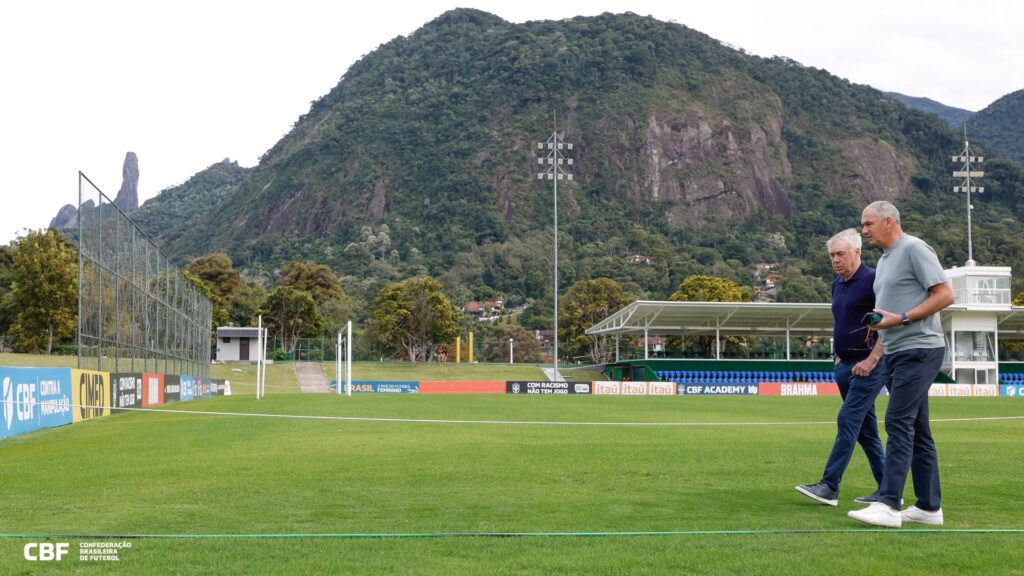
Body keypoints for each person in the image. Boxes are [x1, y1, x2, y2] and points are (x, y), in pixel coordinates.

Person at [848, 201, 955, 528]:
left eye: (868, 224)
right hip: (896, 352)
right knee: (919, 430)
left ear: (888, 221)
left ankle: (889, 504)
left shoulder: (914, 249)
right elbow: (890, 313)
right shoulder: (884, 261)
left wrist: (904, 317)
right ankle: (928, 507)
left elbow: (946, 294)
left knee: (897, 420)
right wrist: (881, 336)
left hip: (920, 349)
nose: (864, 231)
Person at [795, 229, 886, 507]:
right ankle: (888, 489)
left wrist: (872, 359)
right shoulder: (838, 283)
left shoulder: (873, 280)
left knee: (848, 420)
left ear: (857, 252)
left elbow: (886, 322)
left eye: (840, 254)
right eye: (832, 255)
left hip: (869, 365)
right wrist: (838, 358)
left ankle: (829, 486)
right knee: (866, 431)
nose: (835, 259)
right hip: (845, 366)